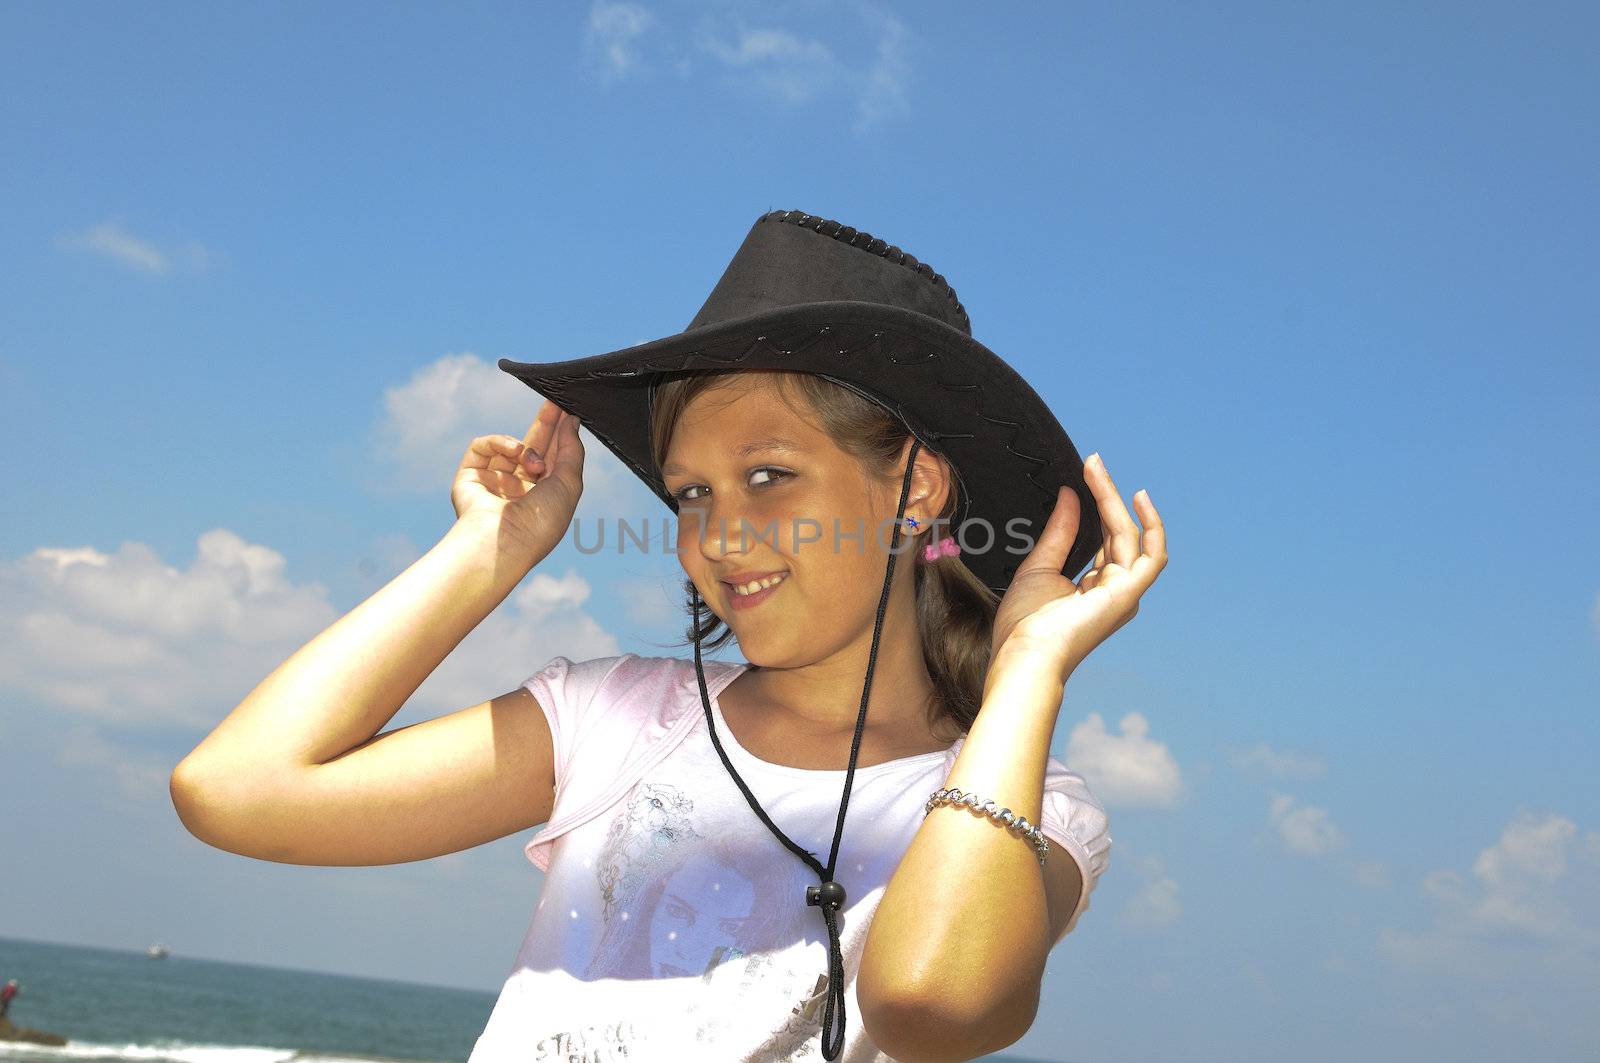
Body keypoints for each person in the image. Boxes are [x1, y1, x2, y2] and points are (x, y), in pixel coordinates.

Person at [171, 209, 1167, 1061]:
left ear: (914, 490)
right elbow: (237, 793)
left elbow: (932, 1004)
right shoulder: (617, 720)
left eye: (768, 474)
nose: (718, 536)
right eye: (691, 492)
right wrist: (493, 549)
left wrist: (1028, 671)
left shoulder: (1024, 807)